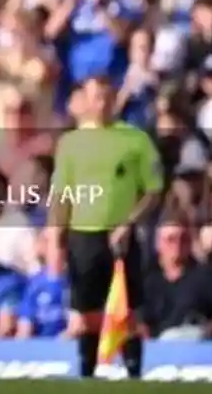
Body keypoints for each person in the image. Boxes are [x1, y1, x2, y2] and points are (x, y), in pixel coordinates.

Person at [49, 76, 162, 378]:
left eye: (106, 97)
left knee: (128, 310)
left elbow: (153, 190)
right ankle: (87, 373)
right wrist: (56, 236)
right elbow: (62, 193)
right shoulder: (71, 143)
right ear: (85, 101)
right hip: (83, 236)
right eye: (95, 97)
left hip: (121, 236)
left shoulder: (136, 140)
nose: (101, 104)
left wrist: (129, 223)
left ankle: (134, 374)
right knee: (87, 312)